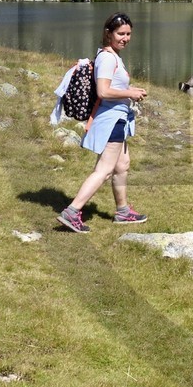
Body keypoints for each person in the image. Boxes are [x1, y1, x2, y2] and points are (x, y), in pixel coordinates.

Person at [58, 12, 148, 233]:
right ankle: (72, 211)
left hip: (118, 118)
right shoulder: (107, 58)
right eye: (120, 34)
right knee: (104, 169)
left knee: (122, 165)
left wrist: (129, 93)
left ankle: (123, 211)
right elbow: (103, 91)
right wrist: (131, 92)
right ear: (108, 33)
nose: (125, 38)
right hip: (111, 120)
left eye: (128, 34)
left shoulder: (113, 55)